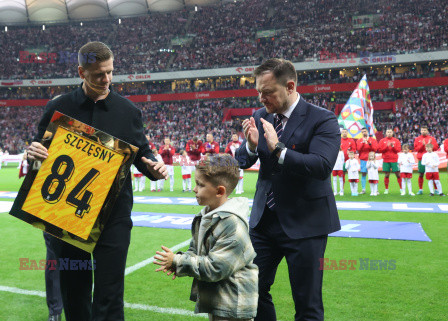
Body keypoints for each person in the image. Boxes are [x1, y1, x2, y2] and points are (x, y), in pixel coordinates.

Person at [24, 41, 167, 321]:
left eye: (110, 72)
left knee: (110, 291)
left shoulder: (128, 111)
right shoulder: (58, 107)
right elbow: (41, 156)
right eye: (99, 74)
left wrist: (153, 166)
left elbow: (143, 153)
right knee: (74, 291)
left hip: (114, 215)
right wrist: (34, 155)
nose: (107, 80)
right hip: (67, 214)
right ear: (81, 72)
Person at [235, 58, 341, 321]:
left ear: (290, 86)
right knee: (251, 290)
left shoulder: (323, 119)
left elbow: (321, 166)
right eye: (258, 91)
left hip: (305, 224)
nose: (261, 98)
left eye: (267, 92)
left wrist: (278, 149)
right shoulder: (261, 116)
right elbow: (243, 160)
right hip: (264, 222)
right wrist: (250, 146)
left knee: (307, 305)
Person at [153, 154, 258, 321]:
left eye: (200, 185)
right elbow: (195, 250)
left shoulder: (232, 224)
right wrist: (178, 261)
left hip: (234, 306)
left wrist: (178, 261)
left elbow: (216, 268)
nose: (195, 189)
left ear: (219, 191)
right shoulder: (205, 215)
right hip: (218, 300)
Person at [413, 125, 439, 194]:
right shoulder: (417, 139)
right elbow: (416, 149)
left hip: (431, 160)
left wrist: (430, 145)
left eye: (425, 130)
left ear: (427, 131)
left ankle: (436, 189)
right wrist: (422, 145)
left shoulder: (432, 139)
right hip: (422, 159)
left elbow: (436, 148)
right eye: (422, 130)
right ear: (420, 131)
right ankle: (420, 189)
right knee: (421, 174)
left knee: (433, 175)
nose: (423, 131)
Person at [378, 129, 402, 194]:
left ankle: (401, 189)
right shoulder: (382, 141)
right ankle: (386, 189)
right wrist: (386, 146)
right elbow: (380, 150)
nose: (389, 133)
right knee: (386, 175)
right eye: (388, 132)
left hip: (394, 160)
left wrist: (393, 146)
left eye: (390, 132)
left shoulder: (396, 140)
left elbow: (398, 150)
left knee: (398, 174)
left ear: (392, 133)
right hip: (386, 160)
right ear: (386, 133)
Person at [356, 127, 378, 194]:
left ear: (367, 132)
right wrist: (363, 143)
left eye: (365, 131)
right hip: (363, 159)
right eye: (362, 132)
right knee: (363, 174)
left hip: (372, 159)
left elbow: (375, 149)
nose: (364, 133)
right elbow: (358, 149)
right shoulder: (359, 140)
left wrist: (368, 142)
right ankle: (363, 189)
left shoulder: (373, 140)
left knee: (374, 174)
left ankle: (375, 190)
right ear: (361, 133)